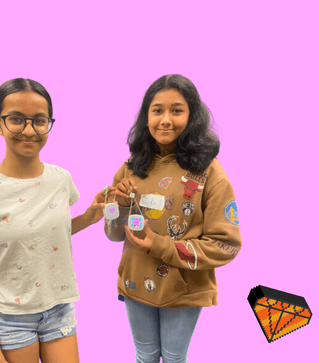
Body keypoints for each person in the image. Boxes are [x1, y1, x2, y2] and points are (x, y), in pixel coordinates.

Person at [0, 78, 117, 363]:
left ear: (49, 124)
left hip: (59, 308)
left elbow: (46, 235)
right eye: (16, 119)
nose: (29, 130)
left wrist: (88, 218)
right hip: (10, 319)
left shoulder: (61, 179)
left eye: (39, 121)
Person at [104, 74, 242, 363]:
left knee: (174, 358)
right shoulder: (130, 167)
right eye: (157, 110)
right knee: (145, 357)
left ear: (192, 117)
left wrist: (160, 244)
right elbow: (114, 233)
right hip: (135, 284)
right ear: (146, 117)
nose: (165, 119)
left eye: (176, 110)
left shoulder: (210, 173)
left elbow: (226, 244)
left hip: (183, 290)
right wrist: (116, 207)